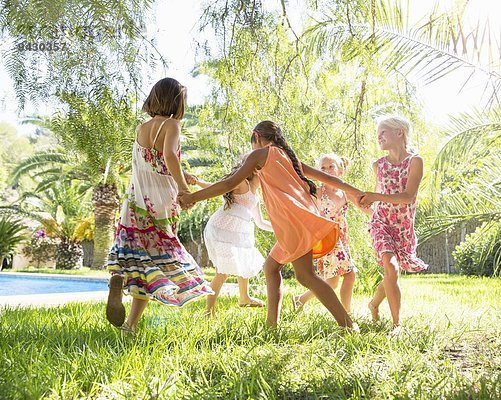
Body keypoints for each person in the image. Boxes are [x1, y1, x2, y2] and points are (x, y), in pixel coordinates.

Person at [179, 121, 363, 330]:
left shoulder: (260, 155)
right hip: (297, 220)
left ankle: (347, 325)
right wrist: (357, 192)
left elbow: (228, 183)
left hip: (294, 221)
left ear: (257, 137)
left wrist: (193, 196)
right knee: (271, 267)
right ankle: (271, 326)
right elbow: (326, 177)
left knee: (306, 276)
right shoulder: (287, 158)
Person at [105, 77, 213, 335]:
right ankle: (130, 324)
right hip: (161, 202)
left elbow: (153, 164)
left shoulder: (141, 128)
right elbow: (168, 157)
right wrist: (184, 190)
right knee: (158, 259)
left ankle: (120, 287)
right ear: (177, 102)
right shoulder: (172, 125)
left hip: (136, 200)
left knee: (139, 257)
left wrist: (181, 176)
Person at [359, 116, 429, 335]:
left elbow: (408, 197)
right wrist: (367, 205)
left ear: (399, 132)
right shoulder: (378, 165)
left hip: (403, 226)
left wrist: (374, 195)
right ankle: (397, 325)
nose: (378, 137)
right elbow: (378, 197)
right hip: (381, 222)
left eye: (383, 132)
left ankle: (373, 304)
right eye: (377, 134)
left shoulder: (415, 161)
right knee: (391, 267)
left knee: (391, 273)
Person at [203, 157, 274, 315]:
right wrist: (198, 183)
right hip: (222, 230)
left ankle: (244, 298)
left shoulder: (255, 196)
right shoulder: (242, 183)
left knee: (244, 261)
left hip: (239, 233)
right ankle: (209, 311)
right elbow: (217, 187)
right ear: (256, 171)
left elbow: (260, 222)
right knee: (222, 273)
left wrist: (280, 229)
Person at [292, 153, 360, 313]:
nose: (327, 170)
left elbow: (364, 205)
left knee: (332, 282)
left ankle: (300, 300)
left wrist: (378, 214)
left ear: (340, 171)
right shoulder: (317, 192)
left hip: (341, 239)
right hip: (327, 239)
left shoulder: (345, 193)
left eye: (331, 167)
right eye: (323, 168)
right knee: (349, 275)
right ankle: (347, 313)